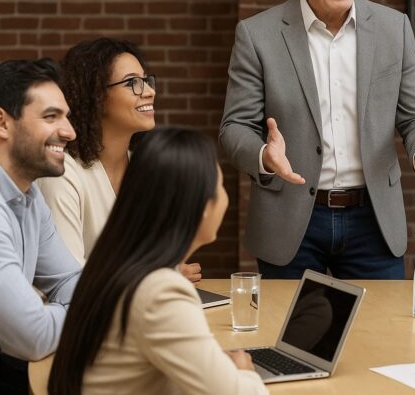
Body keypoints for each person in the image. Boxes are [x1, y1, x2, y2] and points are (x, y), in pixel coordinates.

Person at [220, 0, 415, 279]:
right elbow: (234, 128)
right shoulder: (257, 35)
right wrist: (266, 155)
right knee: (288, 337)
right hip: (291, 219)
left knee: (382, 336)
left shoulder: (393, 28)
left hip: (372, 219)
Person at [48, 127, 267, 395]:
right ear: (200, 206)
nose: (224, 197)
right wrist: (244, 370)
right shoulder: (160, 292)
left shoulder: (119, 264)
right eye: (219, 186)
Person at [0, 59, 81, 394]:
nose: (69, 132)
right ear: (1, 122)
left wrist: (61, 311)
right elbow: (32, 337)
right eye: (52, 117)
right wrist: (92, 312)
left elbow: (70, 279)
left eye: (66, 117)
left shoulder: (27, 193)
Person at [37, 38, 202, 282]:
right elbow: (69, 282)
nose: (149, 91)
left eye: (146, 80)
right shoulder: (62, 174)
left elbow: (159, 259)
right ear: (96, 95)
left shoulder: (146, 169)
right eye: (132, 82)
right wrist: (155, 278)